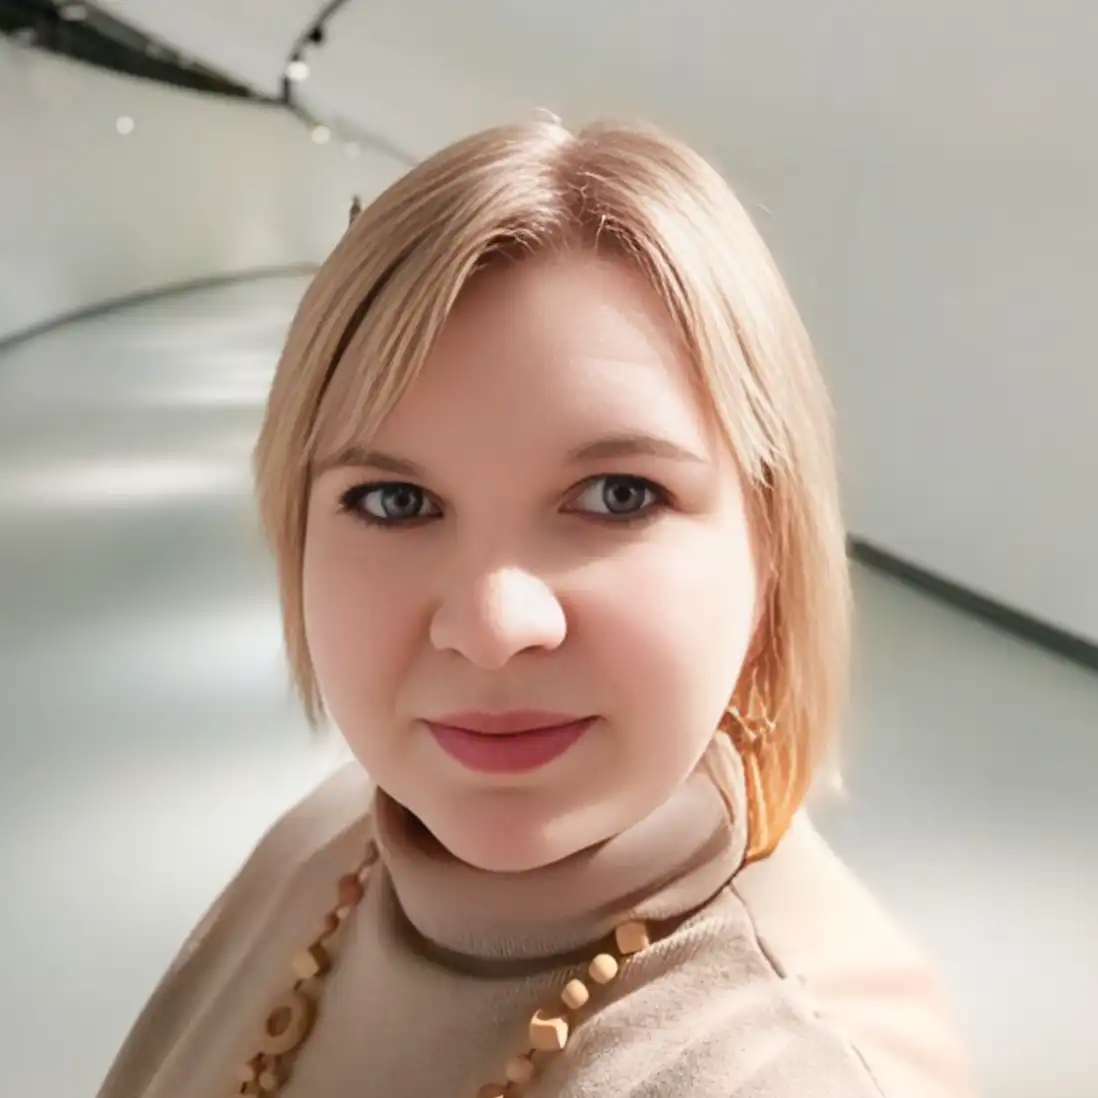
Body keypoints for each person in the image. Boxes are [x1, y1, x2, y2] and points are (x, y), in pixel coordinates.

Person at [96, 118, 974, 1098]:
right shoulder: (333, 840)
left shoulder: (787, 1071)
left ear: (772, 543)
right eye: (396, 502)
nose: (491, 627)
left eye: (618, 496)